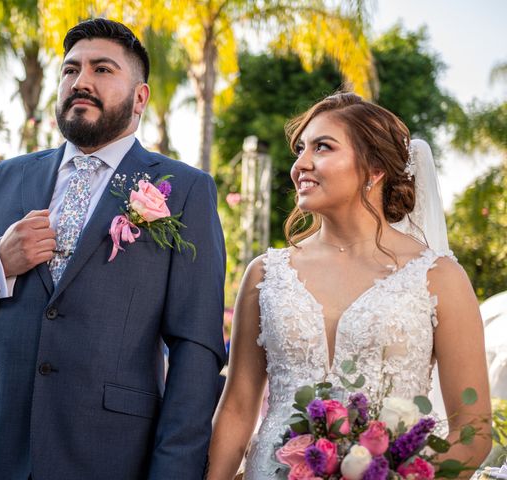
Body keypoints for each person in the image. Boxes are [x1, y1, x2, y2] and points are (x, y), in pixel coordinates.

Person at [0, 18, 225, 480]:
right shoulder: (9, 176)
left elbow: (196, 349)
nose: (81, 81)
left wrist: (174, 471)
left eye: (103, 69)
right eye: (70, 70)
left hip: (111, 458)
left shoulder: (184, 189)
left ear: (140, 98)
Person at [207, 92, 491, 479]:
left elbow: (472, 431)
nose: (301, 164)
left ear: (374, 168)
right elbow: (238, 409)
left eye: (322, 147)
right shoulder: (265, 274)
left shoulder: (438, 277)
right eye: (300, 149)